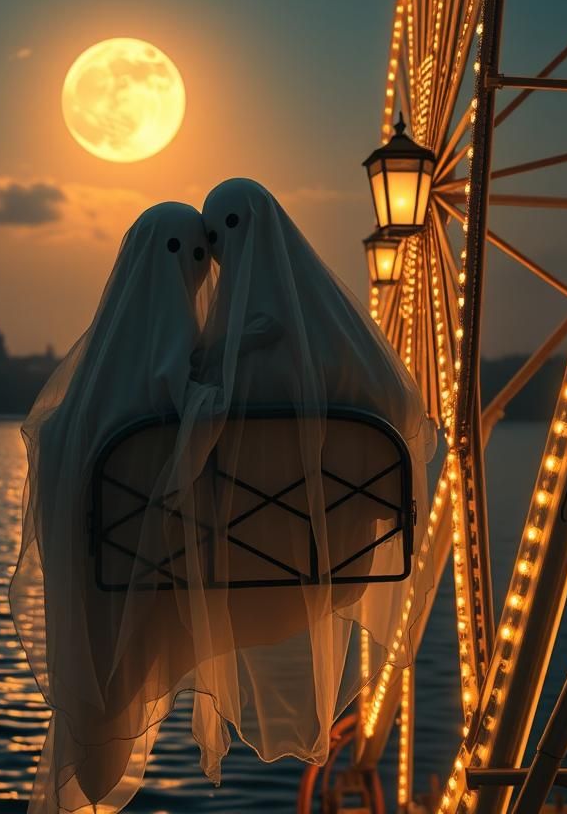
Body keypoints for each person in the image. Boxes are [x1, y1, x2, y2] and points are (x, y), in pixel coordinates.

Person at [162, 178, 436, 785]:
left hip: (233, 556)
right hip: (328, 553)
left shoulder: (214, 353)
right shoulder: (336, 336)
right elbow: (395, 414)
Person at [9, 201, 212, 813]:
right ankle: (99, 756)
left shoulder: (96, 366)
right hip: (166, 554)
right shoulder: (189, 350)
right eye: (191, 256)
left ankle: (94, 754)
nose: (196, 268)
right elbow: (198, 418)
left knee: (110, 679)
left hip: (106, 553)